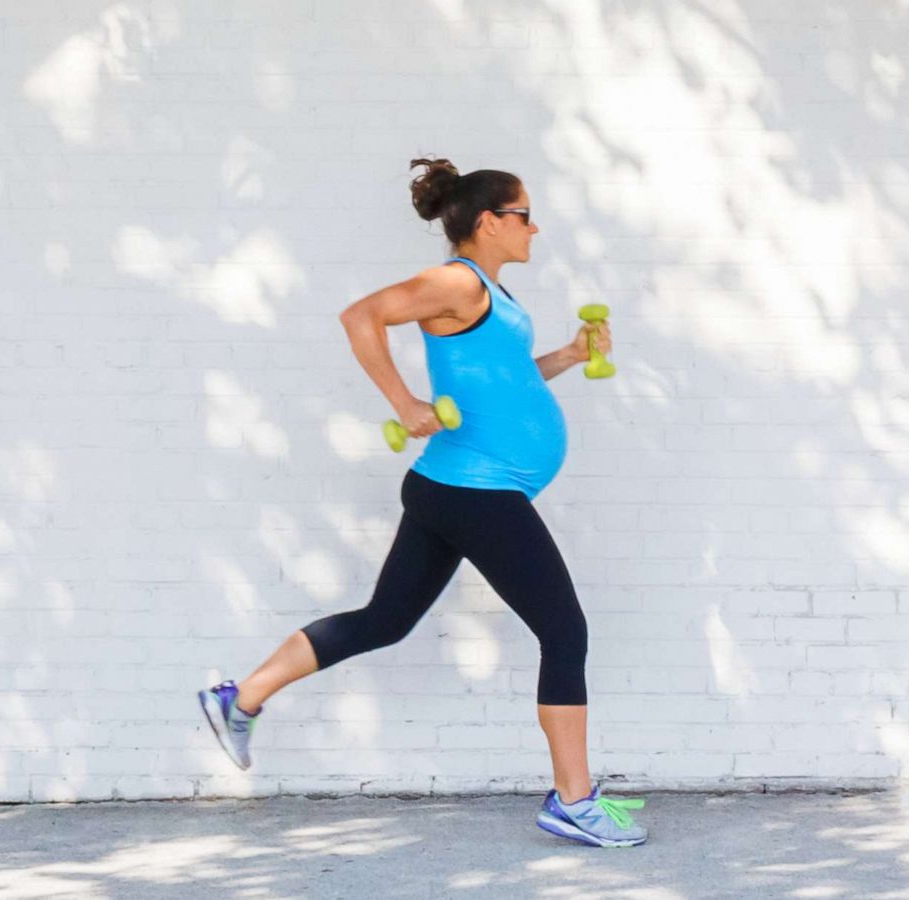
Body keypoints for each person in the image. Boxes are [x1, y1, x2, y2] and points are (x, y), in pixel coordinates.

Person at [199, 157, 646, 848]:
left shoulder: (487, 293)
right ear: (491, 222)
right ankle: (573, 802)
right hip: (476, 492)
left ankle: (241, 697)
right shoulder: (457, 281)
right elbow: (361, 317)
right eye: (525, 214)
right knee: (565, 632)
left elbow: (503, 383)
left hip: (455, 487)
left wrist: (567, 353)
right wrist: (402, 402)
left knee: (386, 619)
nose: (535, 227)